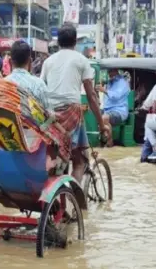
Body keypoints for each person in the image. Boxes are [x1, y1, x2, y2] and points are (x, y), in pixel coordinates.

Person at [40, 24, 107, 182]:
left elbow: (41, 88)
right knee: (80, 161)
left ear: (58, 42)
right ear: (75, 41)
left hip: (50, 116)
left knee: (54, 157)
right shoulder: (82, 60)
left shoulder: (48, 62)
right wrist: (101, 124)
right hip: (72, 113)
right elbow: (91, 95)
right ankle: (76, 201)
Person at [5, 40, 49, 108]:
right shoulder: (39, 85)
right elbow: (49, 113)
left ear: (10, 62)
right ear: (30, 61)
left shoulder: (2, 84)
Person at [95, 69, 130, 147]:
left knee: (104, 118)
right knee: (93, 114)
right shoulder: (110, 82)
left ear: (116, 71)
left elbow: (116, 96)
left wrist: (104, 90)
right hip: (107, 110)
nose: (109, 73)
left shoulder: (122, 83)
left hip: (119, 111)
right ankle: (98, 141)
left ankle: (109, 143)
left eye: (111, 71)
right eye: (108, 71)